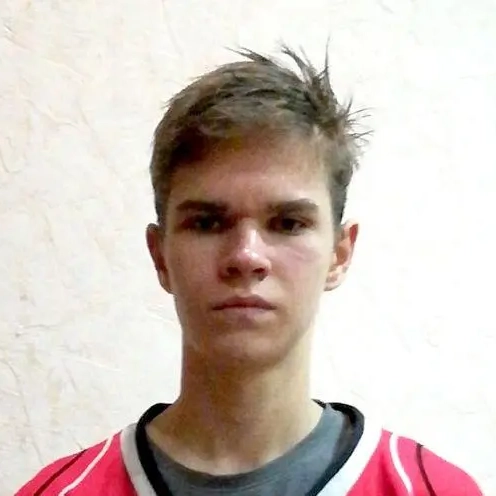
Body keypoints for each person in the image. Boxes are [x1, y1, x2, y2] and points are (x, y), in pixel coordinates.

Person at [16, 45, 482, 496]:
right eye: (207, 223)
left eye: (288, 223)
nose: (245, 255)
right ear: (160, 257)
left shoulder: (435, 490)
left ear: (339, 254)